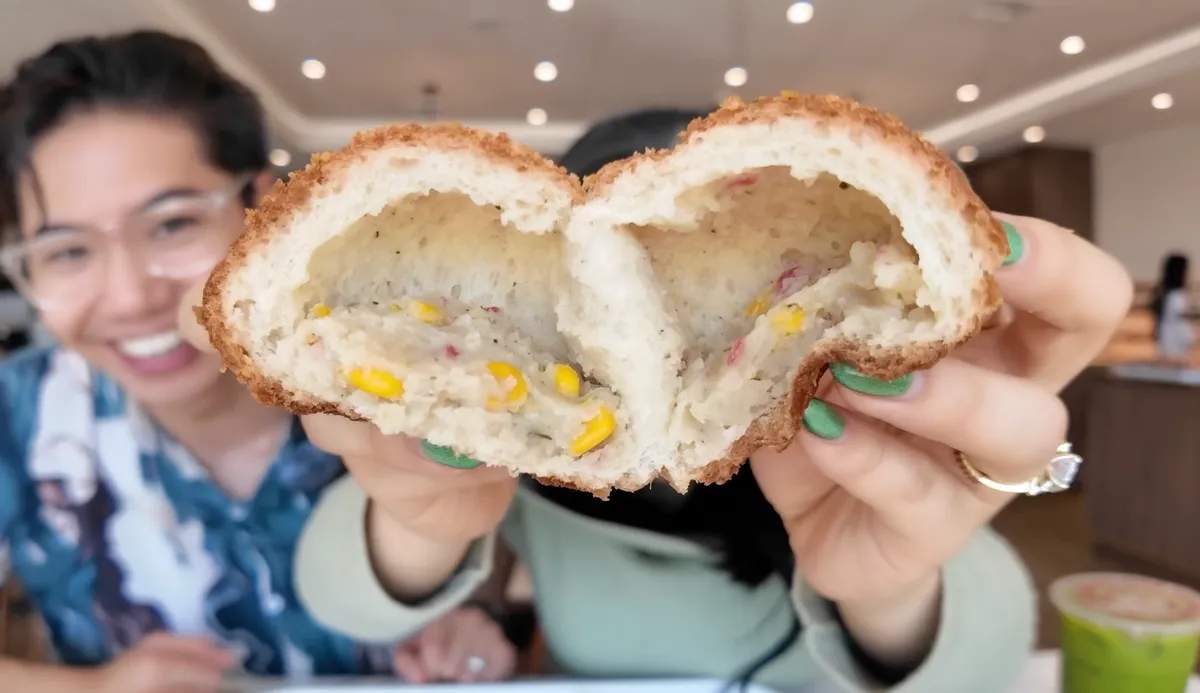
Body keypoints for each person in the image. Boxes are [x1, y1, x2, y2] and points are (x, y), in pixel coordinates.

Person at [175, 107, 1134, 692]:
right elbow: (341, 589)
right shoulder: (528, 484)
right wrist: (420, 525)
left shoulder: (862, 436)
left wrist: (897, 593)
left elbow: (985, 660)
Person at [0, 30, 515, 691]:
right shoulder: (17, 416)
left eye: (172, 223)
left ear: (262, 209)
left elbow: (482, 540)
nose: (129, 297)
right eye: (67, 251)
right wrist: (88, 688)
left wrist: (471, 620)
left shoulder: (386, 369)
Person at [1150, 253, 1194, 360]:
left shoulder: (1166, 294)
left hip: (1171, 337)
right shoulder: (1175, 296)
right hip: (1173, 338)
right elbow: (1181, 315)